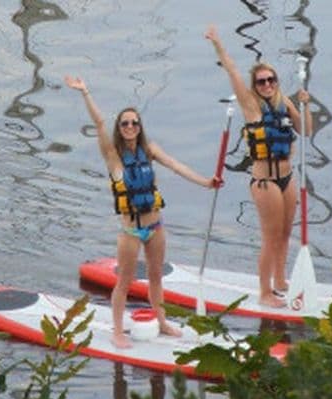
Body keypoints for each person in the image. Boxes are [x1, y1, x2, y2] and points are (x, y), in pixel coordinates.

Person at [65, 75, 222, 348]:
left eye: (134, 123)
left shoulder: (149, 150)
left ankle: (162, 322)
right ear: (120, 128)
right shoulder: (113, 157)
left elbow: (176, 166)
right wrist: (85, 92)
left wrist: (207, 183)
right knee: (124, 282)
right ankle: (117, 331)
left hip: (156, 227)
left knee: (156, 277)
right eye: (125, 123)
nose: (130, 127)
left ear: (140, 127)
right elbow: (99, 124)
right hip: (131, 231)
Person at [204, 25, 313, 308]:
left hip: (287, 178)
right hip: (265, 183)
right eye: (261, 82)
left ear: (276, 81)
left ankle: (280, 280)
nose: (267, 85)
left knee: (285, 233)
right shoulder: (251, 105)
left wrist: (305, 105)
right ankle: (265, 292)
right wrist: (217, 44)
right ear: (255, 86)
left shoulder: (284, 102)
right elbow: (232, 70)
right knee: (270, 237)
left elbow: (306, 130)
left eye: (271, 80)